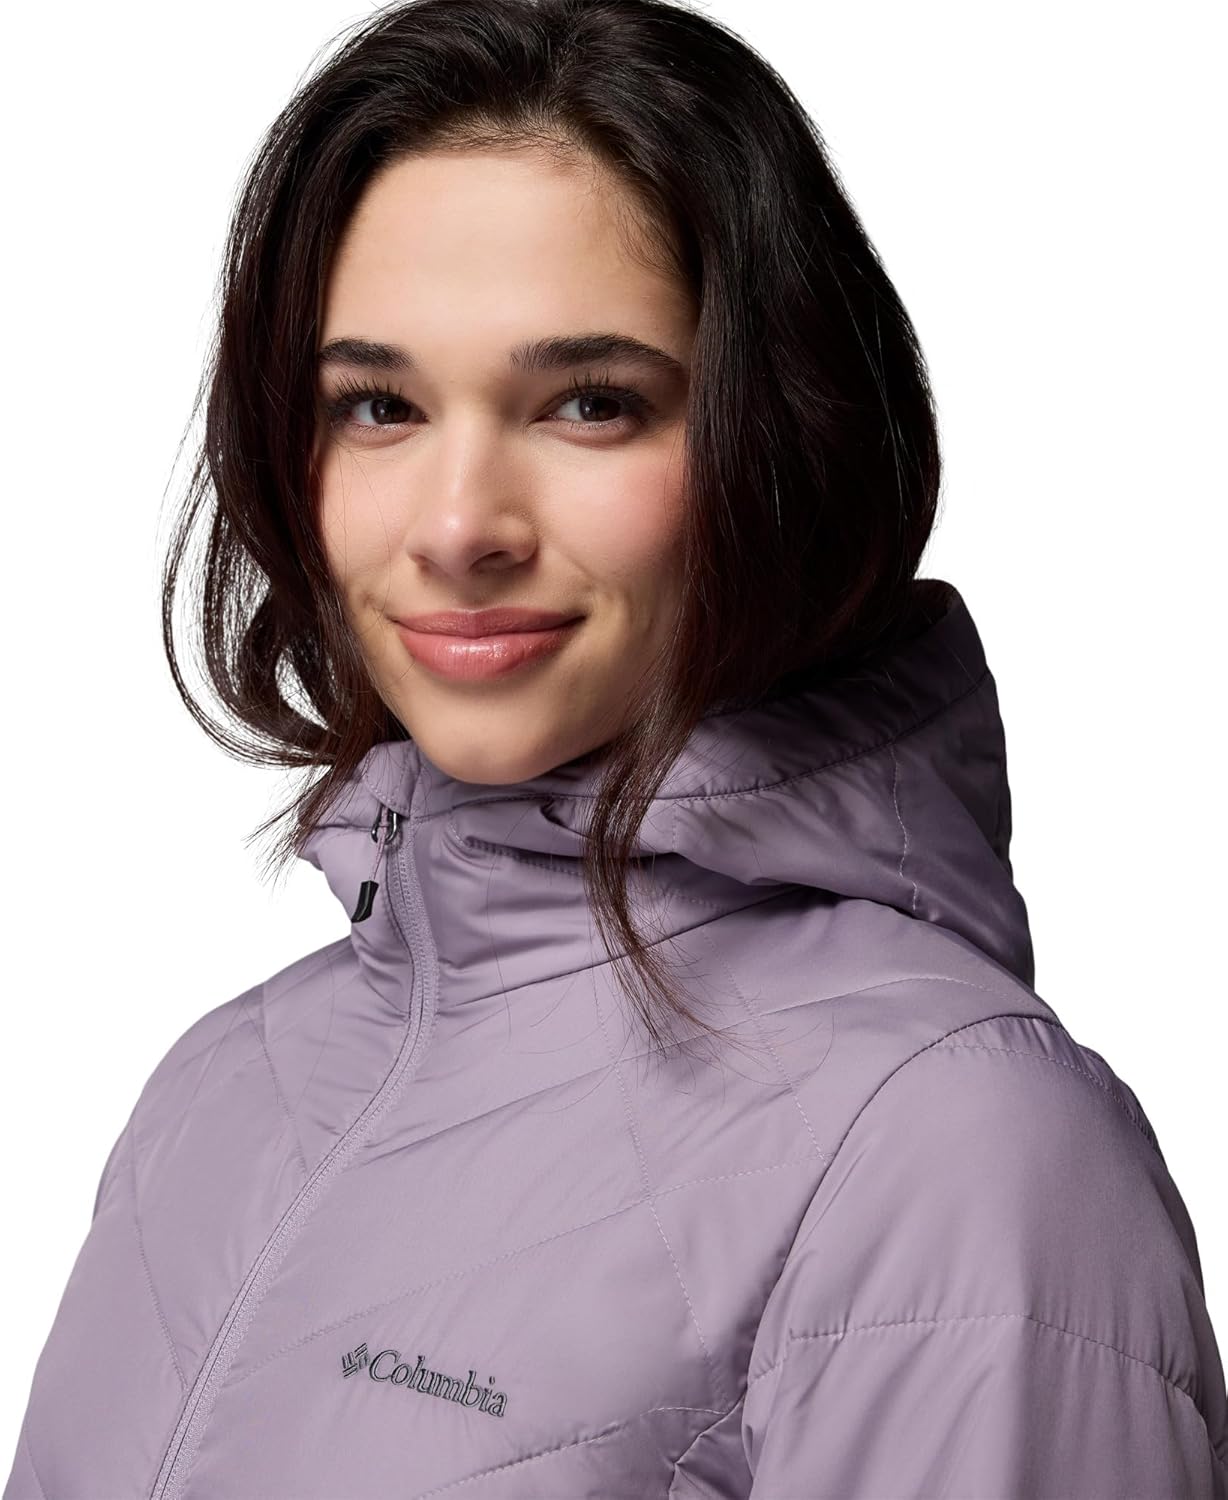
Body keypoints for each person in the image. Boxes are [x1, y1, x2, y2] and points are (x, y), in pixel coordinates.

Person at [6, 0, 1226, 1494]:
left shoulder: (956, 1149)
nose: (460, 525)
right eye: (378, 406)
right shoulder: (218, 1096)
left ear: (782, 441)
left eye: (592, 405)